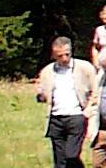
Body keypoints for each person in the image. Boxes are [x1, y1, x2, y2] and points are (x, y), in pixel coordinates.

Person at [34, 36, 98, 168]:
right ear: (54, 55)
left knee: (71, 155)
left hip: (76, 116)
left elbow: (96, 91)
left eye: (67, 54)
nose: (64, 59)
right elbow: (43, 95)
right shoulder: (48, 71)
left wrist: (88, 110)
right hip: (56, 118)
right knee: (59, 160)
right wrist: (40, 94)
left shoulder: (85, 68)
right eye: (60, 55)